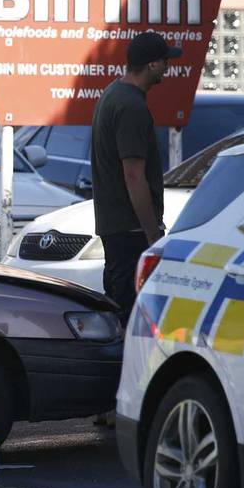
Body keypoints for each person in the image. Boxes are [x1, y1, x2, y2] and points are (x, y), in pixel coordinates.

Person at [92, 31, 181, 325]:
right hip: (130, 230)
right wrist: (152, 233)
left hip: (116, 225)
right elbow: (133, 175)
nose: (168, 68)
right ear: (152, 65)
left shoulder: (113, 93)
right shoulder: (132, 107)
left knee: (119, 309)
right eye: (165, 62)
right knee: (131, 319)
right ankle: (123, 371)